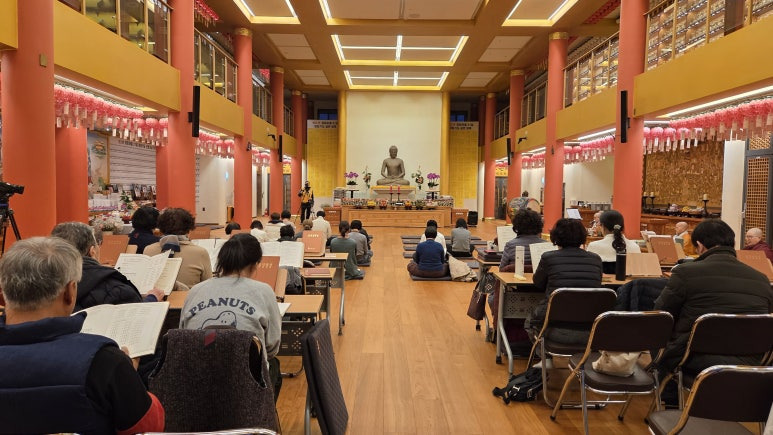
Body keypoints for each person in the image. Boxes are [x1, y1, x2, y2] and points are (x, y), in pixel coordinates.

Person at [0, 237, 165, 433]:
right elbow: (149, 425)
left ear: (3, 292)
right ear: (70, 292)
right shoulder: (104, 360)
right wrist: (128, 377)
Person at [654, 219, 773, 380]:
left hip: (693, 359)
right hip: (751, 360)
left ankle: (667, 389)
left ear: (700, 245)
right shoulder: (762, 279)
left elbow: (661, 315)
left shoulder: (685, 273)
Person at [179, 233, 283, 401]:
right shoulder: (264, 291)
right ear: (255, 264)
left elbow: (184, 335)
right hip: (247, 386)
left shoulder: (195, 291)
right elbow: (272, 347)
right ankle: (263, 415)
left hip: (196, 382)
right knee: (274, 366)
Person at [51, 222, 164, 311]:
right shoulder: (116, 289)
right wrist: (151, 299)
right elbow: (135, 317)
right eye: (98, 244)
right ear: (92, 251)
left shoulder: (45, 282)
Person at [527, 218, 603, 343]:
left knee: (529, 321)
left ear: (556, 236)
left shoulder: (548, 257)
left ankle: (540, 352)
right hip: (589, 325)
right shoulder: (596, 259)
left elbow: (538, 283)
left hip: (555, 320)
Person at [143, 208, 213, 288]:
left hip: (156, 295)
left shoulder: (148, 250)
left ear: (160, 228)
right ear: (189, 228)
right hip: (188, 295)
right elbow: (208, 285)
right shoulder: (200, 252)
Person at [587, 209, 640, 274]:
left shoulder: (593, 246)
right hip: (629, 281)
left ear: (602, 226)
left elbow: (589, 271)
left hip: (601, 280)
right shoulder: (635, 246)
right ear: (622, 227)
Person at [500, 209, 549, 273]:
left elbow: (502, 269)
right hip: (539, 279)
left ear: (516, 226)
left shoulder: (510, 245)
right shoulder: (546, 245)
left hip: (514, 278)